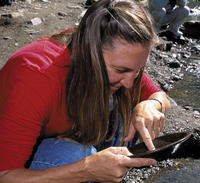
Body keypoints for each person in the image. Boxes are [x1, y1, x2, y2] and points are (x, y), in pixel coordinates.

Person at [0, 0, 171, 182]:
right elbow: (5, 175)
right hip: (13, 168)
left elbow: (159, 96)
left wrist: (152, 105)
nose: (131, 82)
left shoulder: (116, 53)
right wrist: (86, 169)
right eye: (121, 71)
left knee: (130, 110)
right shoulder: (34, 76)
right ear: (89, 54)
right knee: (75, 156)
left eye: (138, 70)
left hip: (56, 137)